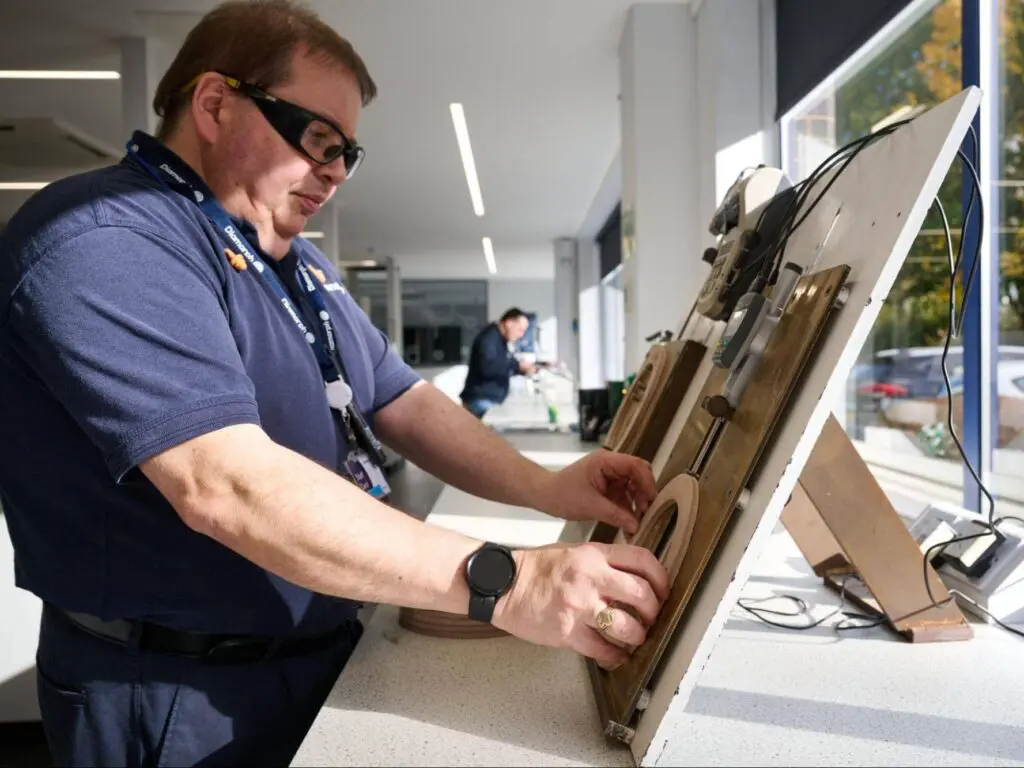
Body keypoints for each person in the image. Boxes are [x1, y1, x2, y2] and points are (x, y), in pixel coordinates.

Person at [0, 2, 668, 766]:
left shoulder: (297, 266)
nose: (336, 172)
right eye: (317, 138)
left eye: (348, 152)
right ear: (214, 103)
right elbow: (227, 486)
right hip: (175, 688)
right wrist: (508, 583)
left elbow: (402, 402)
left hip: (315, 646)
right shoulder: (110, 237)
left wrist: (549, 487)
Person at [460, 307, 539, 419]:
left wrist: (520, 367)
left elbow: (505, 361)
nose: (521, 335)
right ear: (509, 323)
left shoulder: (500, 339)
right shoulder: (489, 339)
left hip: (489, 399)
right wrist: (518, 366)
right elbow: (487, 367)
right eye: (520, 330)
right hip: (481, 400)